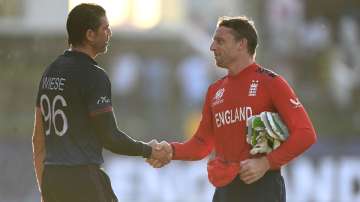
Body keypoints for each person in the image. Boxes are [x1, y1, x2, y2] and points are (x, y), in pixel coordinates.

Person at [147, 16, 317, 202]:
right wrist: (171, 150)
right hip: (225, 190)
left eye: (220, 41)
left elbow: (305, 134)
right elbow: (202, 144)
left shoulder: (271, 82)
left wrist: (266, 162)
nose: (212, 47)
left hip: (262, 186)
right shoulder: (215, 91)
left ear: (241, 44)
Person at [32, 3, 166, 202]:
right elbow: (109, 137)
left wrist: (46, 189)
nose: (109, 33)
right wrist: (148, 150)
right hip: (83, 179)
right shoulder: (93, 75)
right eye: (105, 28)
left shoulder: (50, 72)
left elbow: (38, 139)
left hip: (52, 178)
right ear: (90, 34)